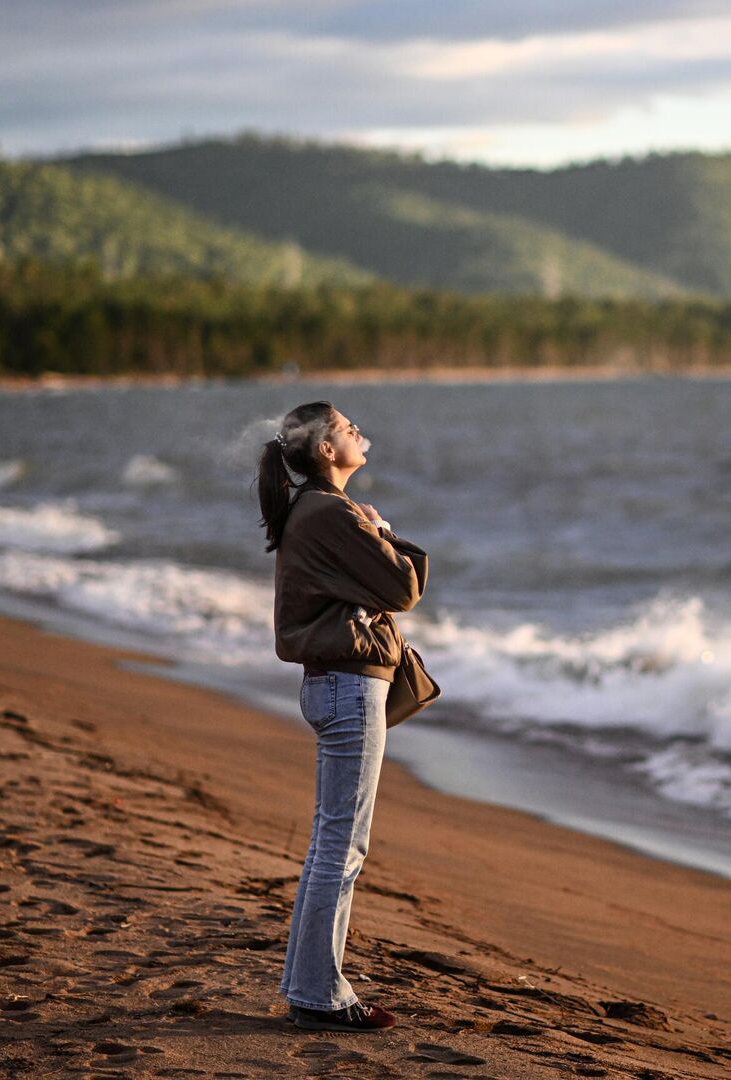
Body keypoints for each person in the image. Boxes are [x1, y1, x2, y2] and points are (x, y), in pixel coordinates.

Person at [256, 400, 428, 1033]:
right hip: (350, 691)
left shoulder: (313, 511)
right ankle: (318, 995)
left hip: (335, 687)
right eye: (348, 427)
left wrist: (372, 531)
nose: (361, 432)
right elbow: (402, 589)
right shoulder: (330, 512)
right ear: (325, 450)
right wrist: (381, 533)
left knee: (331, 845)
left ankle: (309, 987)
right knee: (340, 849)